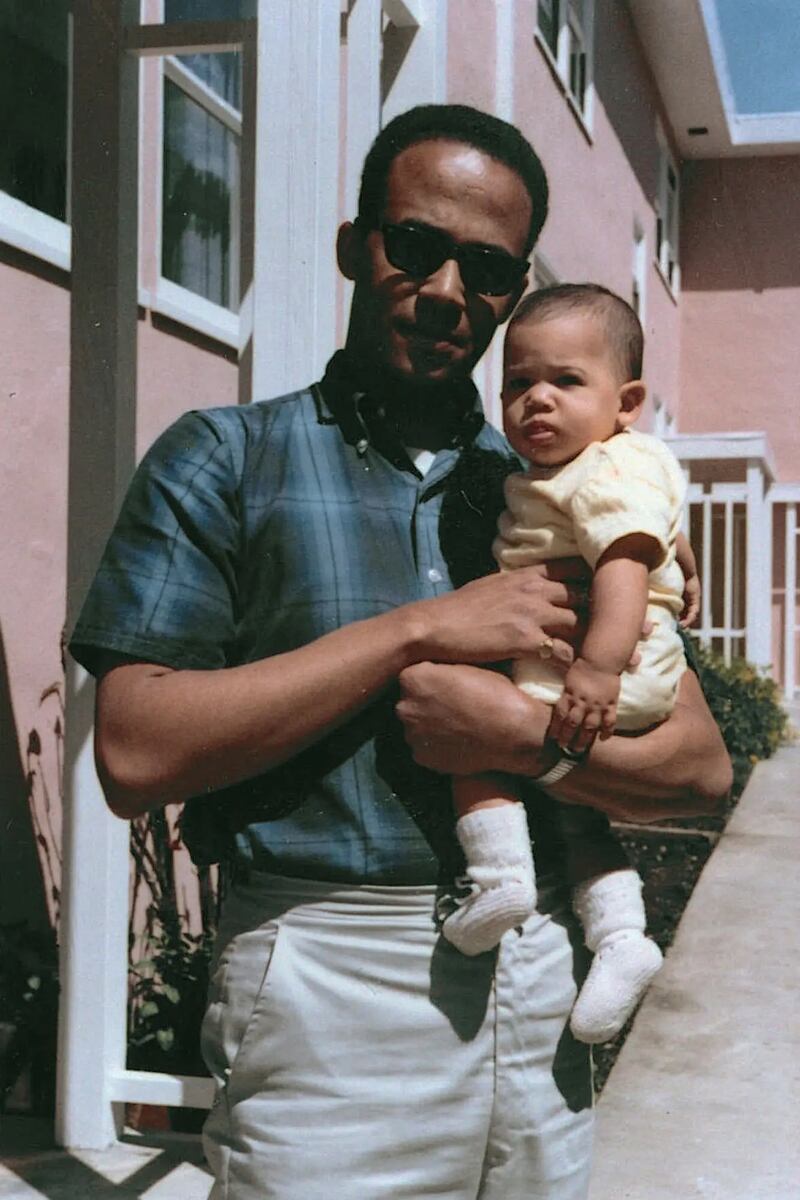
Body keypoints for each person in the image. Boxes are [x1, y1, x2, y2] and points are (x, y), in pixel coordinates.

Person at [69, 105, 731, 1200]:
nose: (444, 292)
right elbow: (133, 756)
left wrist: (526, 741)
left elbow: (697, 772)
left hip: (536, 983)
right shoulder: (228, 461)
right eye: (413, 246)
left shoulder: (559, 491)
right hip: (327, 982)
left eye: (485, 268)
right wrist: (417, 633)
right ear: (353, 246)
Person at [443, 283, 700, 1046]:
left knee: (462, 720)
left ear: (627, 401)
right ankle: (622, 938)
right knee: (578, 813)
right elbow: (662, 539)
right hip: (628, 658)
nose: (537, 402)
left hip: (598, 659)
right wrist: (684, 562)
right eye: (519, 383)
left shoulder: (596, 473)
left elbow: (622, 569)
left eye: (565, 381)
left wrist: (594, 671)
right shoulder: (632, 463)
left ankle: (499, 879)